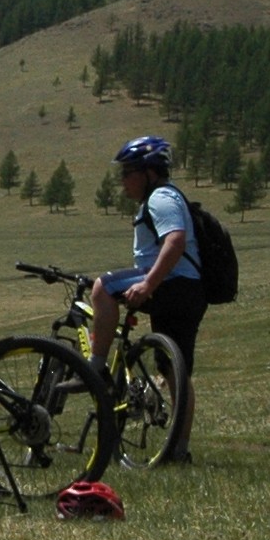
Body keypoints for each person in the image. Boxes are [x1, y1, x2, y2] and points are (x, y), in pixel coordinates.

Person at [89, 135, 205, 455]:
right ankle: (178, 451)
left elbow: (175, 242)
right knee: (174, 371)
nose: (123, 181)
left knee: (101, 287)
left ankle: (93, 367)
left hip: (172, 285)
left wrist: (147, 284)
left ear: (149, 173)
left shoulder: (160, 199)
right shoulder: (168, 197)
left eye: (128, 173)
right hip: (190, 291)